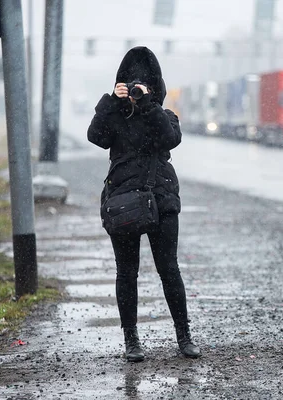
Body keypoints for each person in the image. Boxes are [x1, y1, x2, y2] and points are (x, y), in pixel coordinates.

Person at [87, 46, 201, 362]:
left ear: (154, 88)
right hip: (123, 202)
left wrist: (148, 104)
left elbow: (170, 139)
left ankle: (184, 336)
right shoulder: (115, 117)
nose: (136, 91)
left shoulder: (163, 115)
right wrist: (110, 101)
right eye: (132, 86)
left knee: (169, 269)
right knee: (127, 272)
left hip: (162, 200)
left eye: (142, 87)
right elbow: (95, 136)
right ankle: (131, 341)